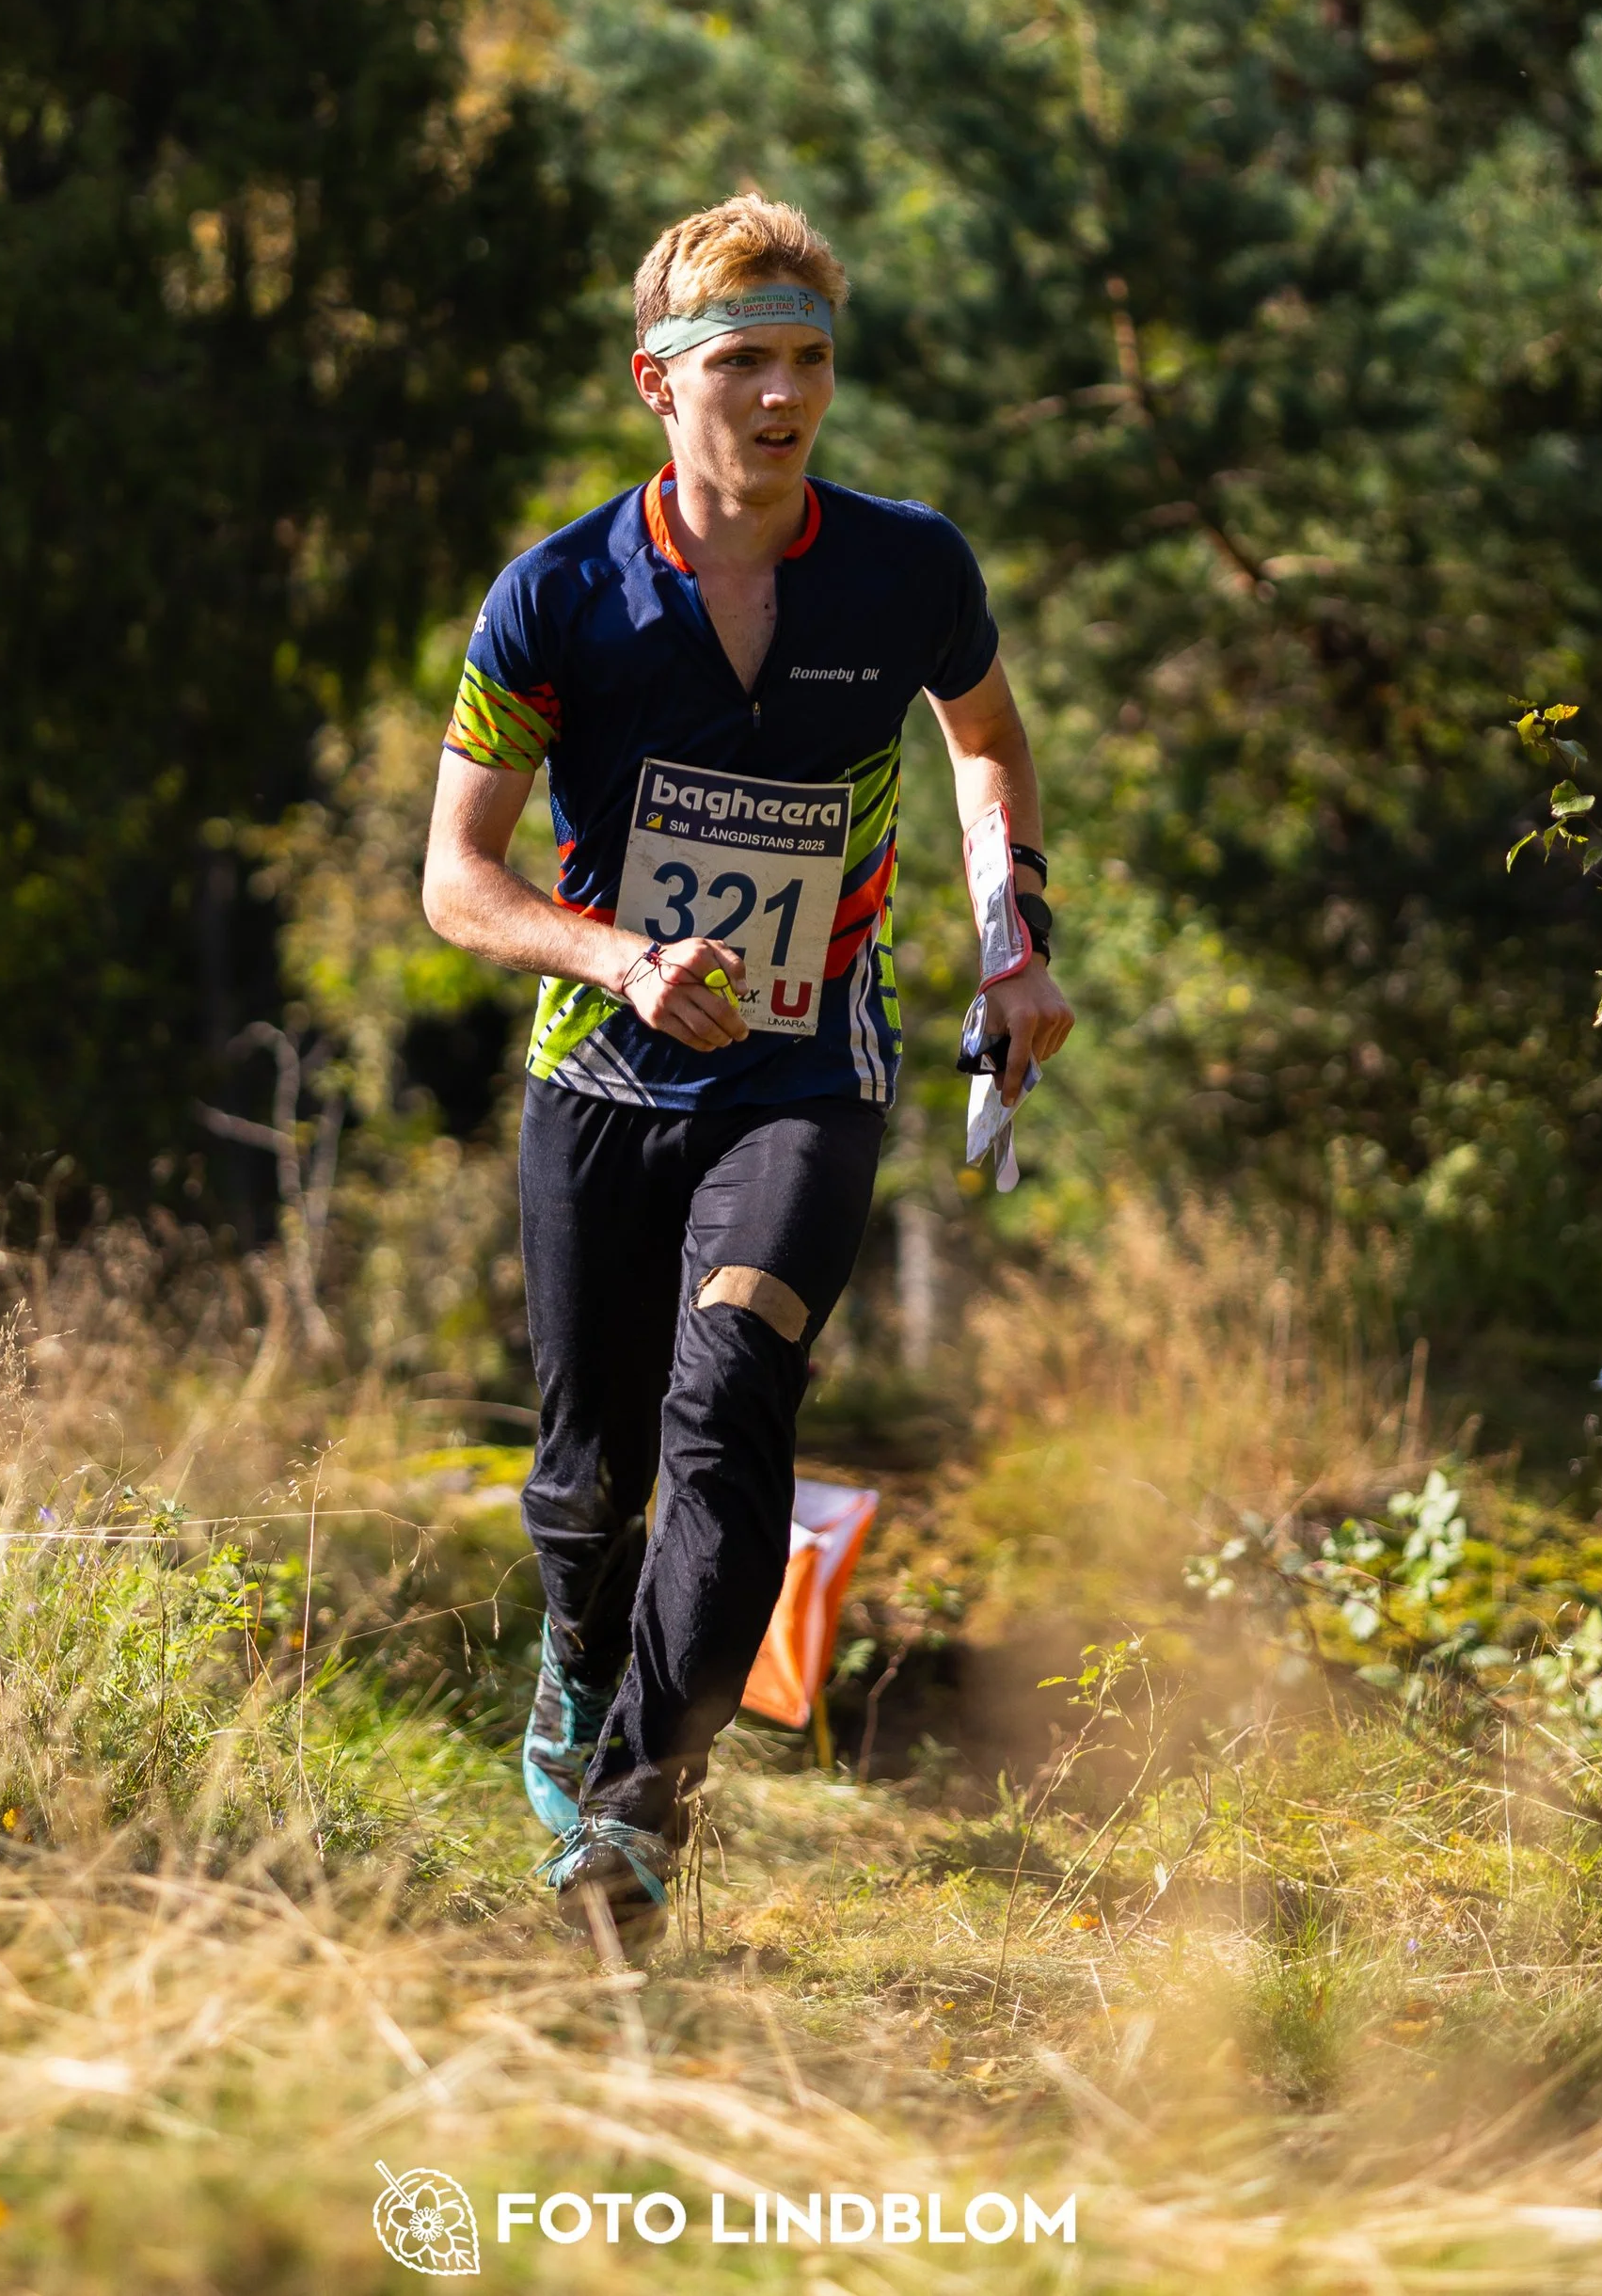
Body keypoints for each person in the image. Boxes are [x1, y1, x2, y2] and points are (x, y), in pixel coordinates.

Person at [420, 192, 1073, 1951]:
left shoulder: (906, 567)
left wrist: (1016, 942)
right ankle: (576, 1670)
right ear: (659, 381)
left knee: (729, 1405)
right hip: (602, 1076)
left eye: (809, 361)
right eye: (742, 363)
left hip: (806, 1074)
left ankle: (642, 1801)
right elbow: (453, 883)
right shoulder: (554, 596)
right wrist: (625, 957)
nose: (783, 397)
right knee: (587, 1483)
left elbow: (988, 745)